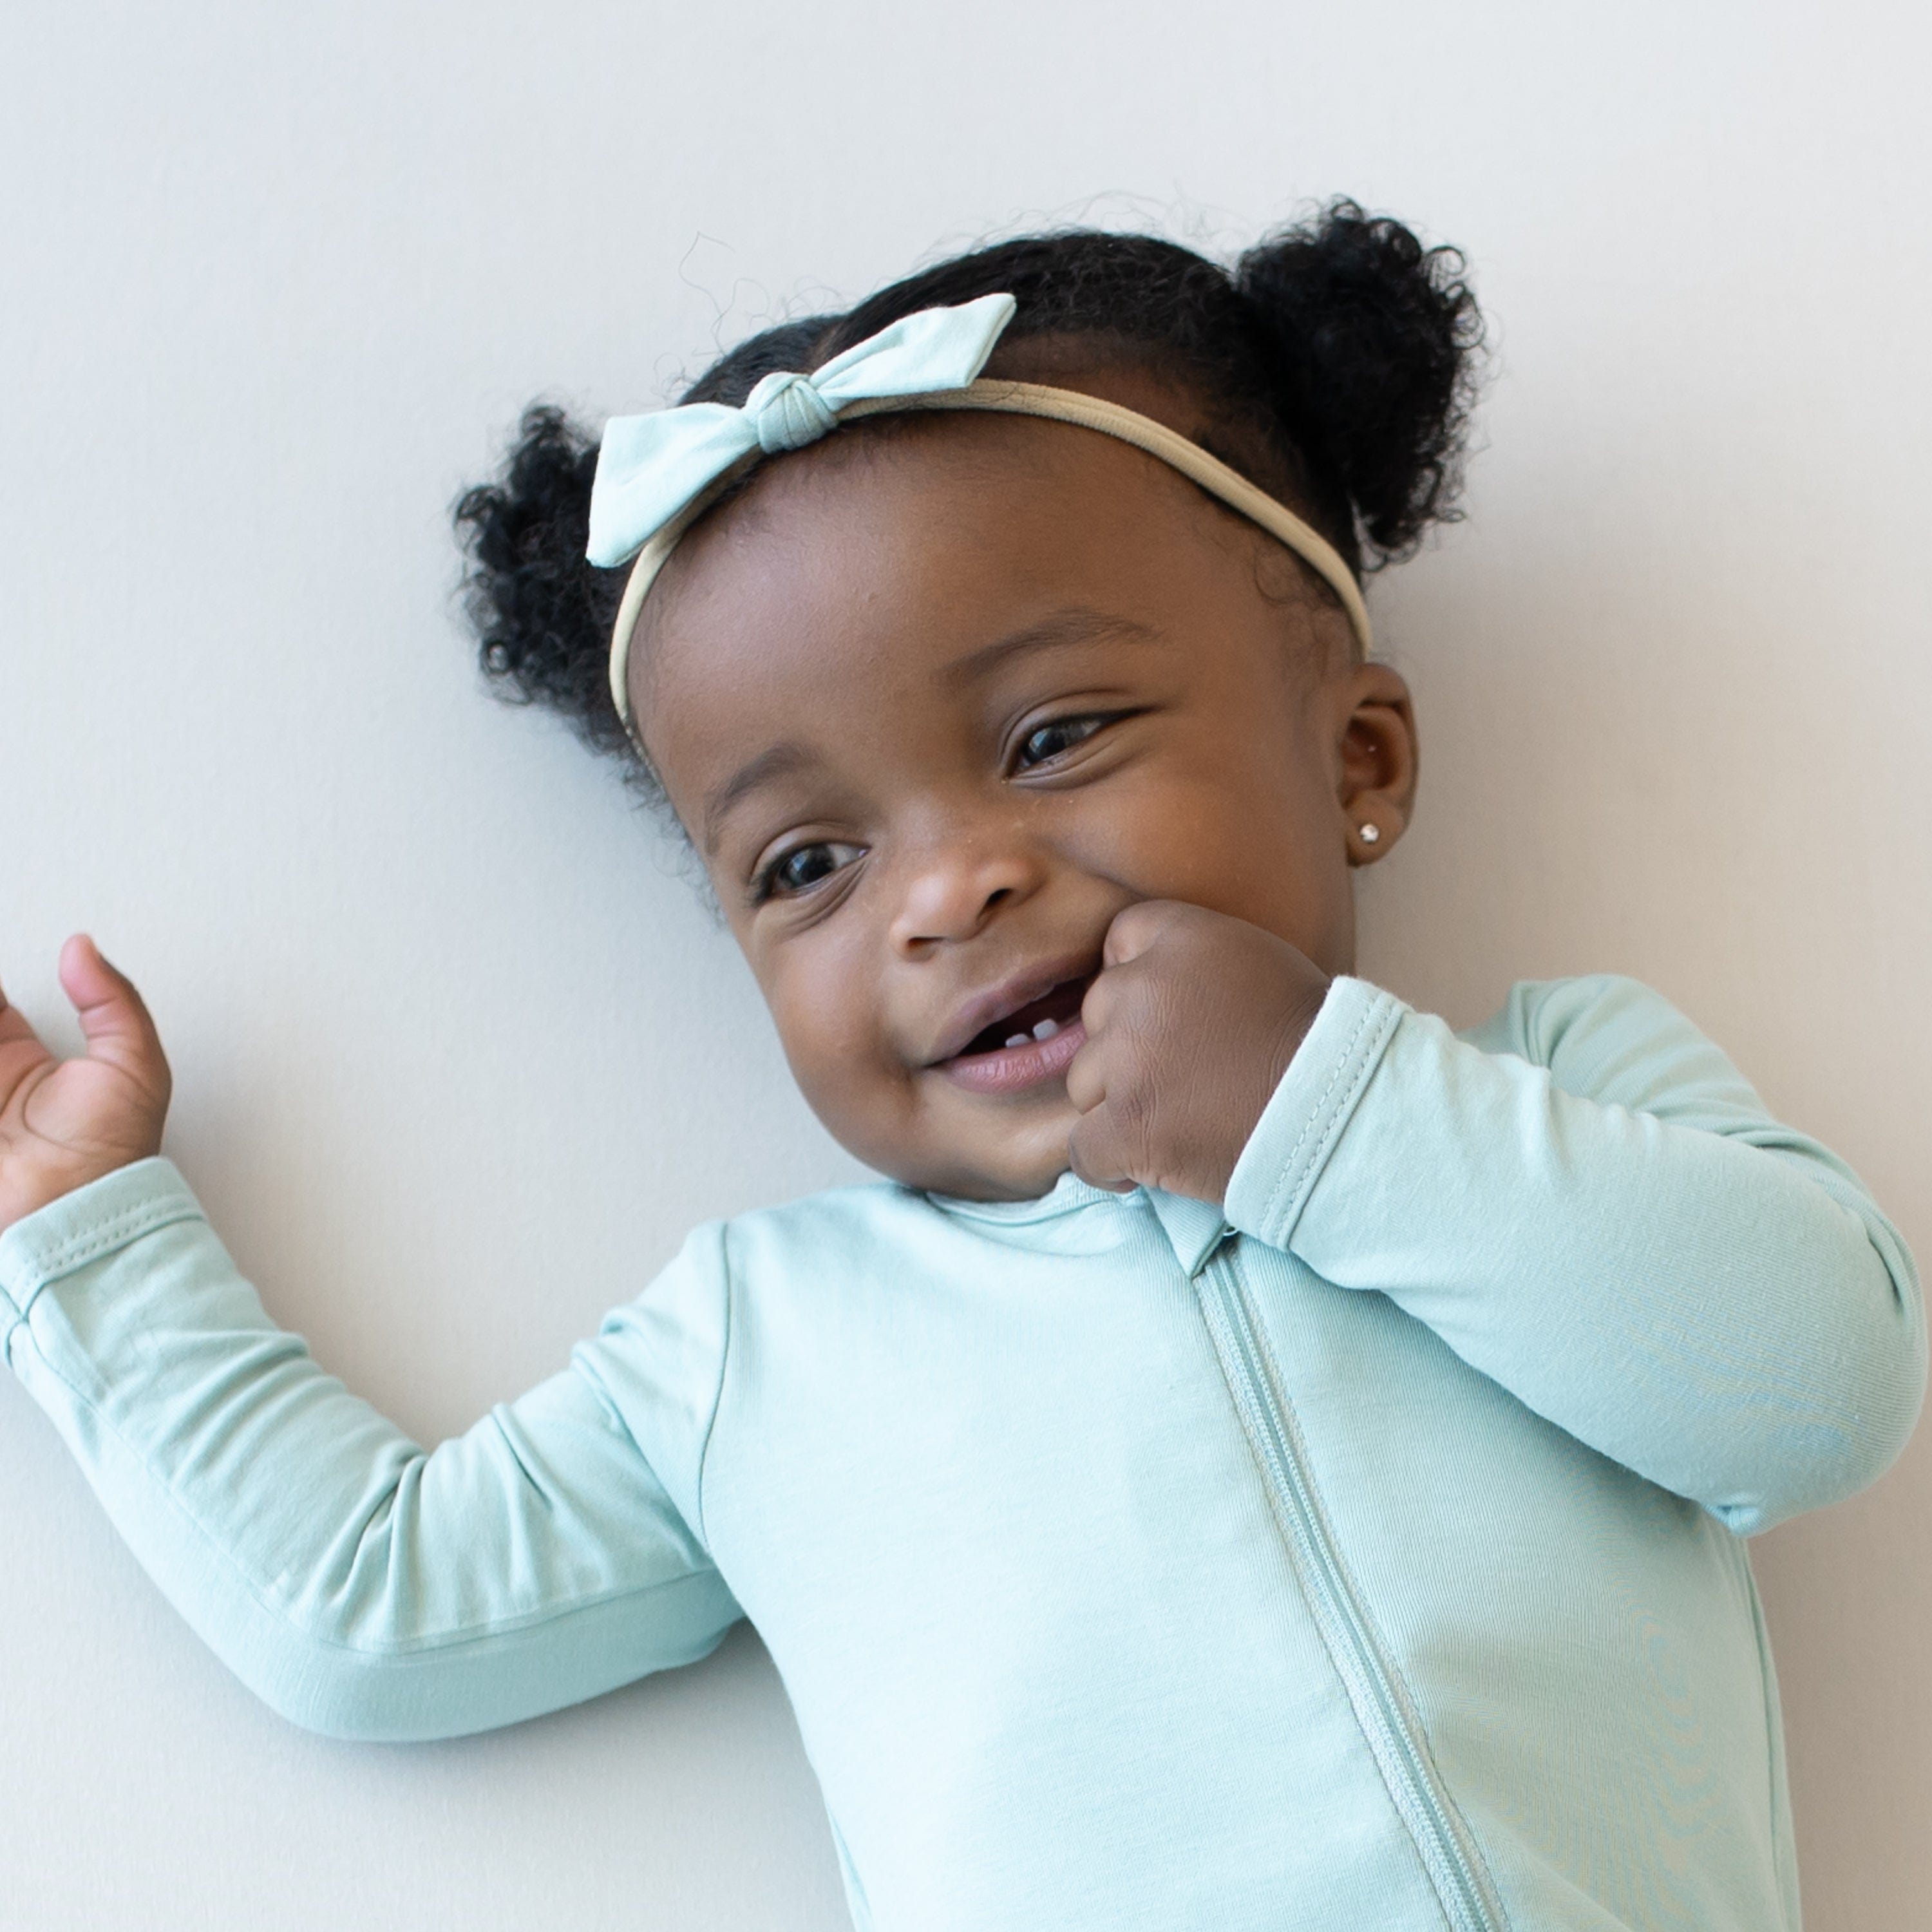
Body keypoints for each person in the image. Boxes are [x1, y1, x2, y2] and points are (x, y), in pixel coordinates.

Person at [0, 202, 1921, 1932]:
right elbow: (371, 1607)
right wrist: (91, 1233)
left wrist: (1323, 1119)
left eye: (1054, 735)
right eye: (808, 864)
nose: (946, 890)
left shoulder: (1555, 1088)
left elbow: (1813, 1391)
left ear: (1359, 760)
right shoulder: (769, 1345)